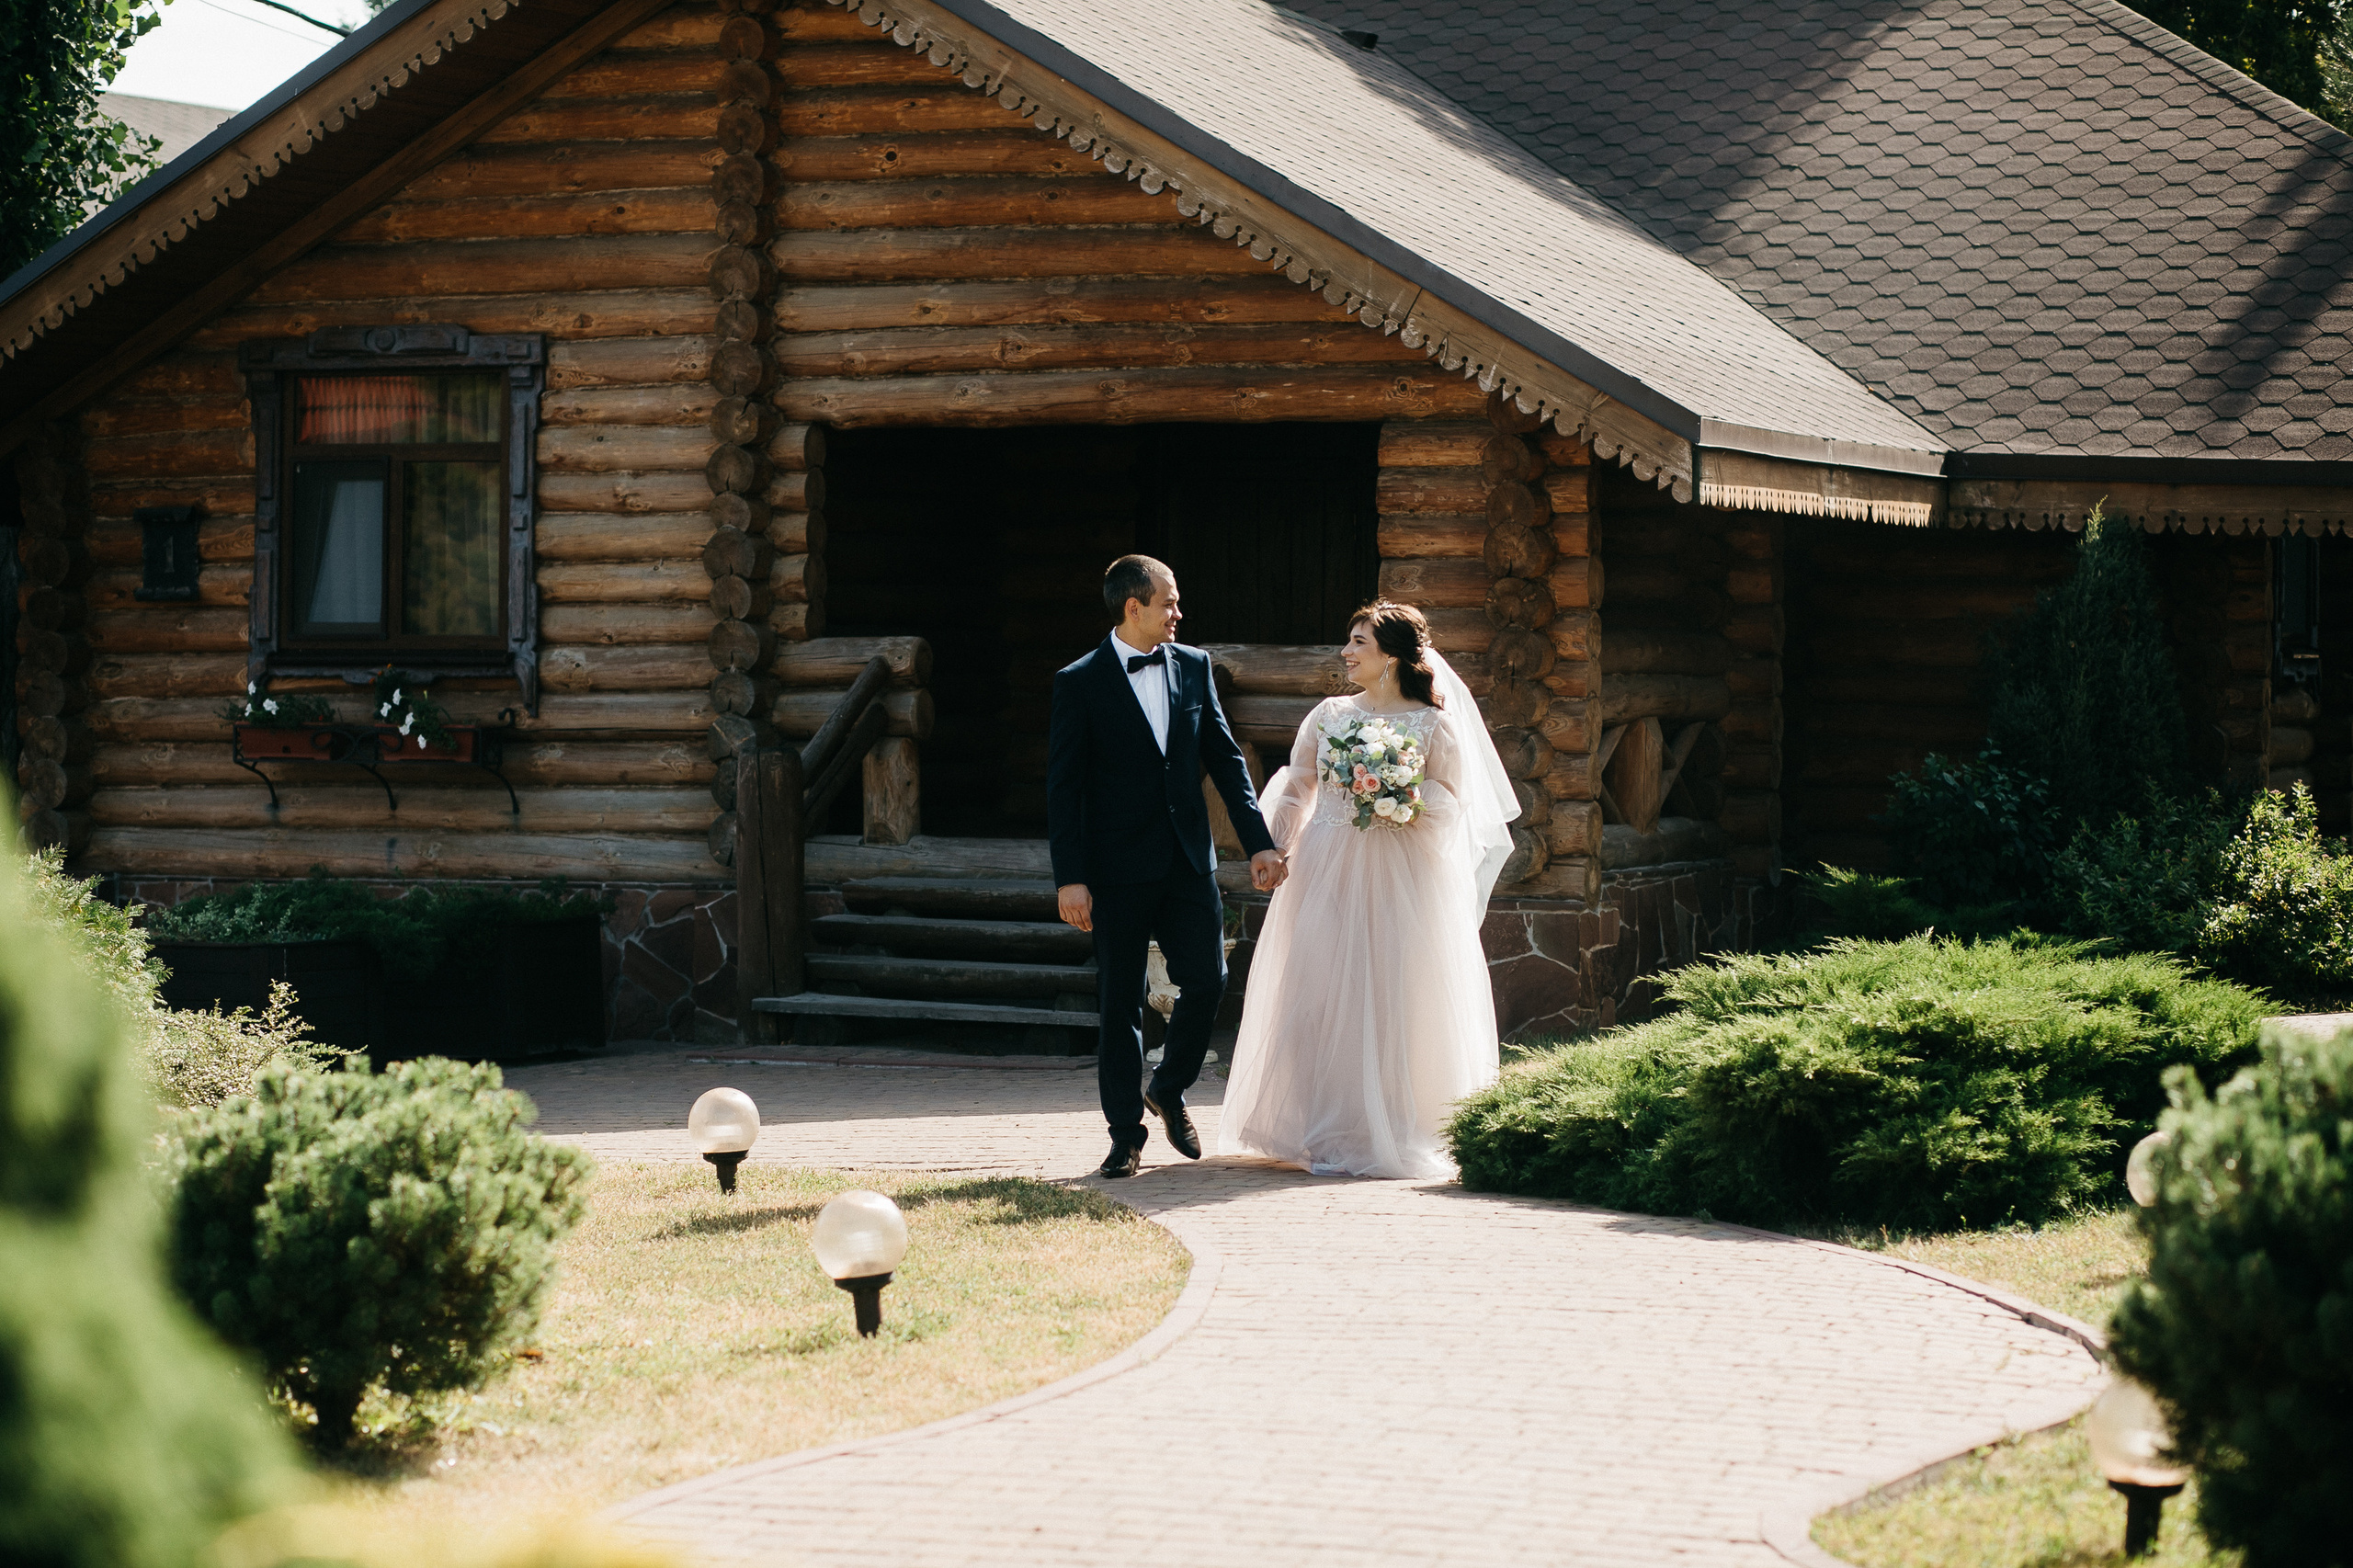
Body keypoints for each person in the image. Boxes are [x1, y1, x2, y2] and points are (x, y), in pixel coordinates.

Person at [1217, 601, 1518, 1178]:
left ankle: (1397, 1124)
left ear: (1393, 657)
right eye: (1348, 641)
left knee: (1395, 989)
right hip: (1326, 867)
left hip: (1403, 875)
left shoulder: (1433, 724)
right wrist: (1275, 849)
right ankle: (1323, 1124)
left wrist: (1399, 796)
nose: (1346, 652)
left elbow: (1453, 805)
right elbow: (1298, 785)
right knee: (1323, 987)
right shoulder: (1328, 714)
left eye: (1359, 642)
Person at [1047, 555, 1289, 1179]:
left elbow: (1227, 760)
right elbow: (1063, 788)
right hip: (1114, 868)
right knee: (1120, 1003)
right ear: (1134, 606)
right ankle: (1125, 1135)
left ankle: (1171, 1086)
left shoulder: (1195, 666)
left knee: (1207, 979)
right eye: (1169, 603)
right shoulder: (1079, 681)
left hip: (1187, 861)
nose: (1178, 613)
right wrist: (1069, 877)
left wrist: (1259, 840)